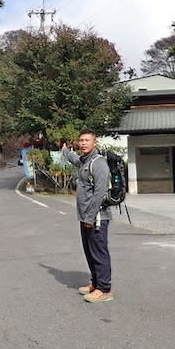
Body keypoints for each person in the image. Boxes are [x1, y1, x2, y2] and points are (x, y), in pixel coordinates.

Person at [62, 129, 113, 303]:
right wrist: (65, 152)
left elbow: (99, 192)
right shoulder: (85, 161)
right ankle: (96, 283)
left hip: (97, 217)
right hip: (85, 216)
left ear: (94, 143)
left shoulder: (98, 163)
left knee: (99, 252)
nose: (83, 143)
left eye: (87, 140)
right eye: (81, 140)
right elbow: (75, 159)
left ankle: (104, 289)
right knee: (89, 252)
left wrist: (90, 218)